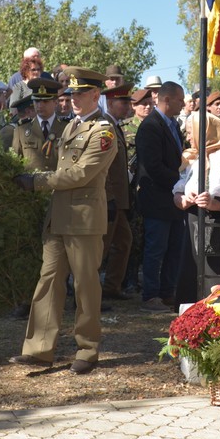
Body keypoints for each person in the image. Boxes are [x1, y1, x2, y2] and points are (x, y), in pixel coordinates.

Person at [10, 68, 117, 374]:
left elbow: (82, 173)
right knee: (48, 281)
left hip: (83, 219)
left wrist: (37, 181)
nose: (73, 100)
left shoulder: (103, 131)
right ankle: (39, 348)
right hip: (58, 217)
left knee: (85, 285)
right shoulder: (71, 127)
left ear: (95, 95)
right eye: (70, 95)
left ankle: (88, 348)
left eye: (79, 94)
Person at [173, 112, 220, 294]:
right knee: (192, 275)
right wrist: (183, 199)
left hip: (216, 224)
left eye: (191, 132)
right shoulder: (193, 158)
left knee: (214, 279)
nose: (188, 137)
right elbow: (177, 190)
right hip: (192, 221)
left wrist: (214, 203)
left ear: (205, 131)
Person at [134, 80, 187, 312]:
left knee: (174, 247)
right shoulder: (151, 126)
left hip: (173, 200)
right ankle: (151, 294)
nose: (183, 104)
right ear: (166, 100)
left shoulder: (173, 125)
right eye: (179, 99)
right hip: (157, 199)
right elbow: (152, 167)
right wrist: (180, 181)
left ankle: (167, 292)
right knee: (156, 248)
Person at [100, 84, 135, 300]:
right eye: (124, 102)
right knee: (101, 248)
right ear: (111, 103)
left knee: (123, 242)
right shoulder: (106, 127)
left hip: (118, 200)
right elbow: (103, 167)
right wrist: (110, 198)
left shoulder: (115, 125)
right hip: (108, 200)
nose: (128, 106)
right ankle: (88, 294)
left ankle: (111, 287)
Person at [13, 77, 65, 170]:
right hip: (30, 183)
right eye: (37, 101)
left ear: (56, 102)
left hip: (58, 183)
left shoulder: (67, 127)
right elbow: (15, 163)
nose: (40, 105)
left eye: (45, 101)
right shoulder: (21, 129)